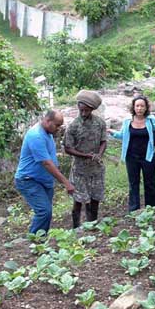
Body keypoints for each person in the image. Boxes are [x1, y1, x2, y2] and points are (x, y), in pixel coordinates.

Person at [15, 110, 75, 234]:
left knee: (46, 213)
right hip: (28, 180)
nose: (58, 129)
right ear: (47, 121)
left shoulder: (47, 133)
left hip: (43, 180)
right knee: (44, 211)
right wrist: (66, 182)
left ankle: (41, 241)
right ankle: (34, 241)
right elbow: (46, 163)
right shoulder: (36, 135)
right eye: (57, 125)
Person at [109, 96, 155, 212]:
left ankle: (152, 208)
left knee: (150, 182)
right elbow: (122, 135)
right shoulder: (127, 121)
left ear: (146, 108)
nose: (139, 108)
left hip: (148, 156)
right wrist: (112, 132)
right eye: (137, 106)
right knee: (133, 183)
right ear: (133, 107)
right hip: (131, 157)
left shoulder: (151, 120)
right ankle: (134, 210)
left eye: (142, 106)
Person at [64, 90, 107, 228]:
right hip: (79, 170)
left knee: (95, 199)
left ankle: (92, 225)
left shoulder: (100, 123)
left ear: (92, 110)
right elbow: (68, 148)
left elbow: (103, 141)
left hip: (96, 169)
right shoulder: (73, 126)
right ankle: (75, 227)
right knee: (78, 200)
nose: (84, 113)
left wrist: (99, 154)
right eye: (82, 110)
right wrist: (85, 155)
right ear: (78, 107)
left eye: (87, 111)